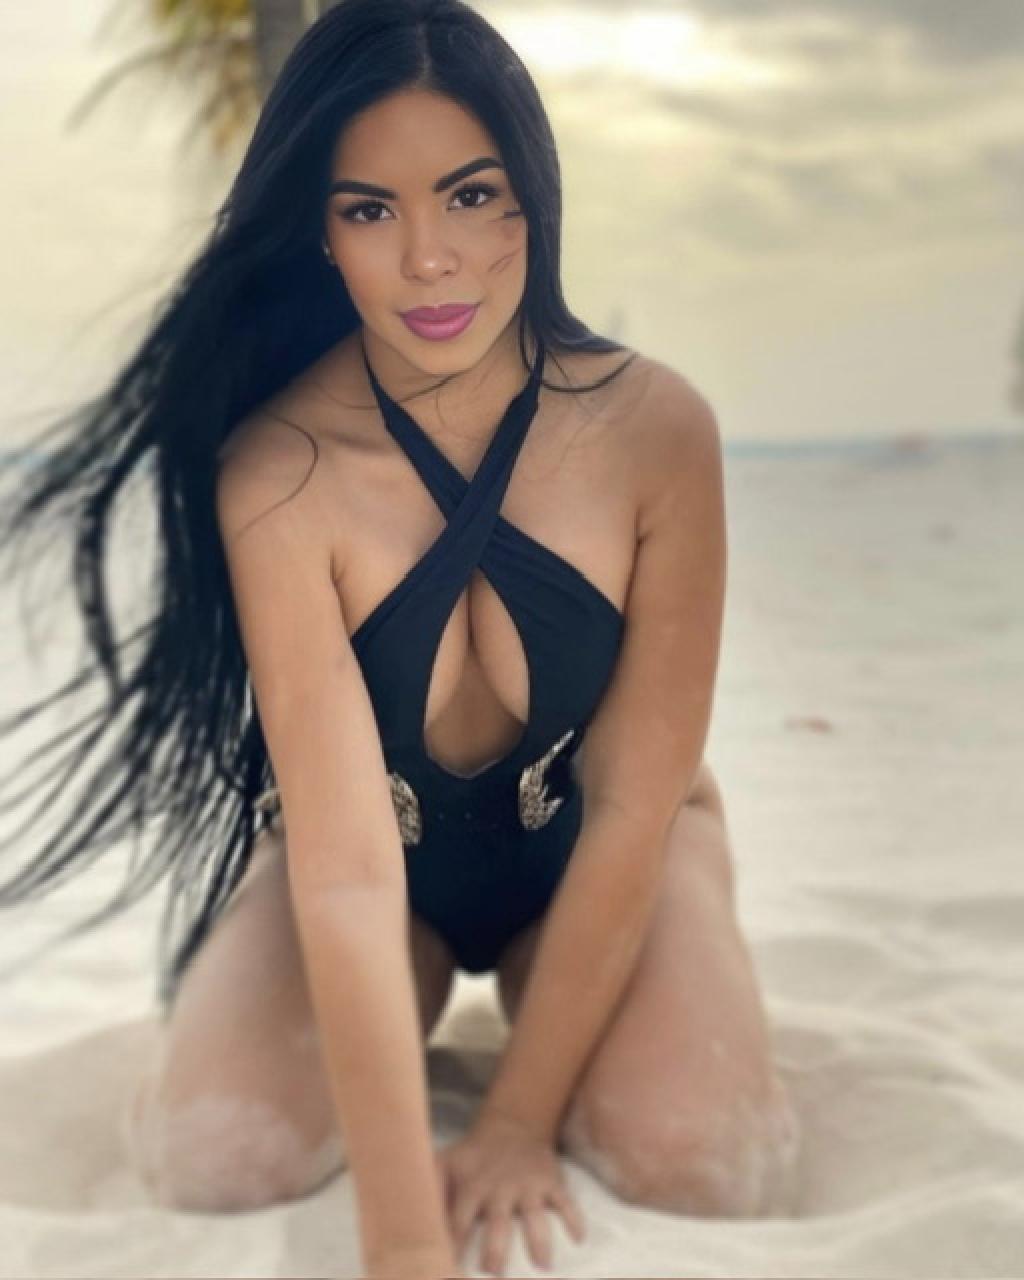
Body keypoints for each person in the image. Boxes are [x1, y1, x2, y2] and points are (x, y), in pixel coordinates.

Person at [0, 2, 800, 1277]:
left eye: (470, 195)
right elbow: (349, 874)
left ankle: (666, 986)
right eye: (370, 209)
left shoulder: (657, 431)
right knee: (218, 1157)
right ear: (320, 231)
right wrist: (404, 1240)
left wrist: (517, 1124)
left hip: (613, 851)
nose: (430, 258)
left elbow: (627, 807)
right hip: (372, 869)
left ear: (532, 200)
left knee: (697, 1161)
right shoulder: (281, 469)